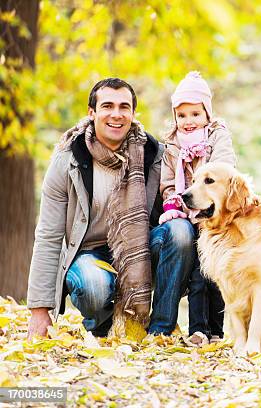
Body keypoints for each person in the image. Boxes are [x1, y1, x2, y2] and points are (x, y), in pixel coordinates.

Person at [26, 78, 195, 338]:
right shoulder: (68, 159)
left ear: (133, 114)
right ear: (92, 112)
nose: (116, 115)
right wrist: (40, 309)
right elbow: (48, 235)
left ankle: (160, 329)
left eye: (124, 107)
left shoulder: (154, 155)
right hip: (89, 254)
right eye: (107, 106)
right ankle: (102, 326)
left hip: (137, 250)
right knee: (93, 284)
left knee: (181, 231)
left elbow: (187, 196)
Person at [159, 71, 236, 345]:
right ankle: (199, 330)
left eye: (195, 114)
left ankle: (218, 331)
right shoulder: (171, 145)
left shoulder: (218, 138)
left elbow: (224, 170)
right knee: (198, 275)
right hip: (185, 212)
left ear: (207, 114)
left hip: (213, 216)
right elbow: (168, 181)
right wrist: (173, 202)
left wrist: (206, 199)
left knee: (216, 273)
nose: (188, 121)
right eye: (182, 115)